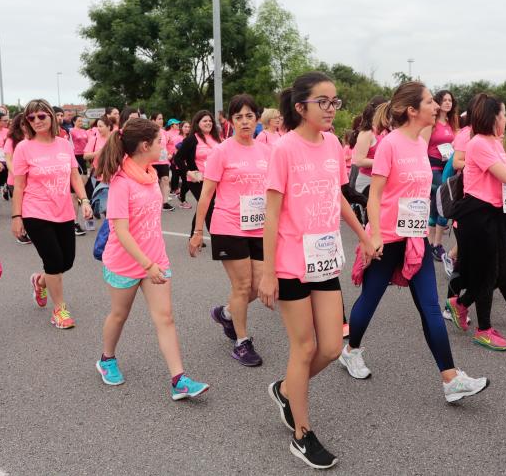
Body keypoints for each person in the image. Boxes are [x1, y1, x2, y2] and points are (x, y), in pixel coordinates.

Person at [339, 81, 490, 402]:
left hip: (415, 237)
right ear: (412, 110)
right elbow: (374, 196)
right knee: (371, 297)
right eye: (429, 102)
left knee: (431, 308)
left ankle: (450, 379)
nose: (436, 107)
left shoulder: (420, 144)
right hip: (389, 238)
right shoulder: (390, 144)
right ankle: (350, 350)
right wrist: (374, 234)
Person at [259, 72, 375, 469]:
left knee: (330, 347)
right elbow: (271, 215)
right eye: (322, 102)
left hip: (323, 258)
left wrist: (362, 234)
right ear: (301, 107)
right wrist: (268, 272)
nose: (331, 109)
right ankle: (302, 434)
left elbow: (338, 197)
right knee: (304, 346)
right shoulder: (284, 150)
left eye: (335, 101)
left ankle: (287, 389)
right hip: (291, 262)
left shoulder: (332, 146)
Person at [94, 117, 209, 399]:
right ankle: (106, 359)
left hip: (155, 259)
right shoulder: (121, 182)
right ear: (145, 145)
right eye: (160, 141)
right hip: (125, 262)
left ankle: (179, 380)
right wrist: (146, 264)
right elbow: (120, 231)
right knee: (120, 315)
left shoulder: (148, 174)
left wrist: (152, 262)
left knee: (165, 318)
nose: (164, 145)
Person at [446, 93, 506, 351]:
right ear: (492, 117)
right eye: (501, 115)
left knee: (501, 267)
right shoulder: (478, 143)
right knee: (486, 271)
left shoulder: (495, 143)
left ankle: (462, 303)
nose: (504, 119)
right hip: (478, 215)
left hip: (497, 212)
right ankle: (484, 328)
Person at [189, 94, 271, 367]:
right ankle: (242, 341)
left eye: (249, 116)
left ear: (257, 119)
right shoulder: (221, 151)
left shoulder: (266, 151)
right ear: (231, 121)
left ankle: (226, 313)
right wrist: (198, 231)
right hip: (228, 225)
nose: (245, 121)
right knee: (242, 285)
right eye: (239, 117)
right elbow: (206, 195)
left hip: (259, 227)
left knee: (260, 287)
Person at [11, 99, 92, 329]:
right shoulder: (23, 148)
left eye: (41, 116)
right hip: (35, 211)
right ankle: (59, 310)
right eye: (31, 118)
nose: (36, 121)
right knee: (54, 260)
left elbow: (74, 176)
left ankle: (40, 281)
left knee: (66, 261)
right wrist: (17, 217)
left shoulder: (64, 144)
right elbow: (18, 186)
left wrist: (84, 200)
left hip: (64, 209)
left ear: (50, 117)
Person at [423, 90, 458, 261]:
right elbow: (422, 146)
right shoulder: (432, 122)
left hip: (448, 166)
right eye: (444, 100)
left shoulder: (452, 123)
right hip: (433, 166)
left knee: (439, 205)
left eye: (450, 100)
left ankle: (433, 244)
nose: (447, 103)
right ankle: (435, 244)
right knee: (443, 202)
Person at [174, 110, 221, 235]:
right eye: (205, 121)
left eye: (210, 121)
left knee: (203, 206)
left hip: (214, 179)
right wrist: (188, 172)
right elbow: (178, 158)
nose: (208, 123)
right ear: (198, 123)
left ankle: (194, 235)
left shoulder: (217, 138)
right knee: (208, 206)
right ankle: (216, 237)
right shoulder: (192, 139)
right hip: (197, 180)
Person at [352, 96, 389, 198]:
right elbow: (359, 161)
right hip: (367, 183)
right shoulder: (366, 133)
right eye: (387, 113)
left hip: (380, 181)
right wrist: (384, 161)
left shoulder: (383, 132)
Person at [3, 113, 32, 245]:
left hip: (32, 179)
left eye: (27, 123)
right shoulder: (11, 140)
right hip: (15, 180)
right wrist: (16, 173)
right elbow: (8, 159)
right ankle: (21, 232)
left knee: (29, 206)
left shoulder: (34, 138)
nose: (25, 126)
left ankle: (28, 230)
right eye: (22, 124)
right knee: (19, 206)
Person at [149, 113, 174, 211]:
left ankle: (165, 202)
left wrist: (170, 153)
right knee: (152, 182)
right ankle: (152, 202)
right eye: (159, 119)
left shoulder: (164, 132)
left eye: (162, 118)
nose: (161, 120)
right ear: (153, 120)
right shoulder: (148, 132)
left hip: (163, 161)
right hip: (151, 162)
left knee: (165, 179)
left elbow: (171, 144)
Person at [165, 118, 184, 197]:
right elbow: (164, 145)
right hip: (171, 155)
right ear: (171, 125)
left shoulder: (180, 133)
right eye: (176, 124)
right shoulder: (166, 133)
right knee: (174, 172)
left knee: (179, 171)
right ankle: (174, 189)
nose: (178, 125)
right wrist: (167, 154)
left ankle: (176, 189)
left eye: (178, 124)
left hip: (180, 154)